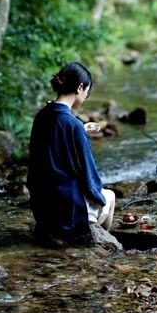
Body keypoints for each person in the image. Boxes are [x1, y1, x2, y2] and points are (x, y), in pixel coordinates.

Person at [27, 61, 115, 247]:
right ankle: (98, 242)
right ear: (80, 87)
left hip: (42, 208)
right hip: (68, 212)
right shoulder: (73, 125)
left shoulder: (41, 117)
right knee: (110, 196)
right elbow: (89, 177)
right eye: (87, 93)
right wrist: (99, 198)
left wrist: (80, 131)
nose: (86, 97)